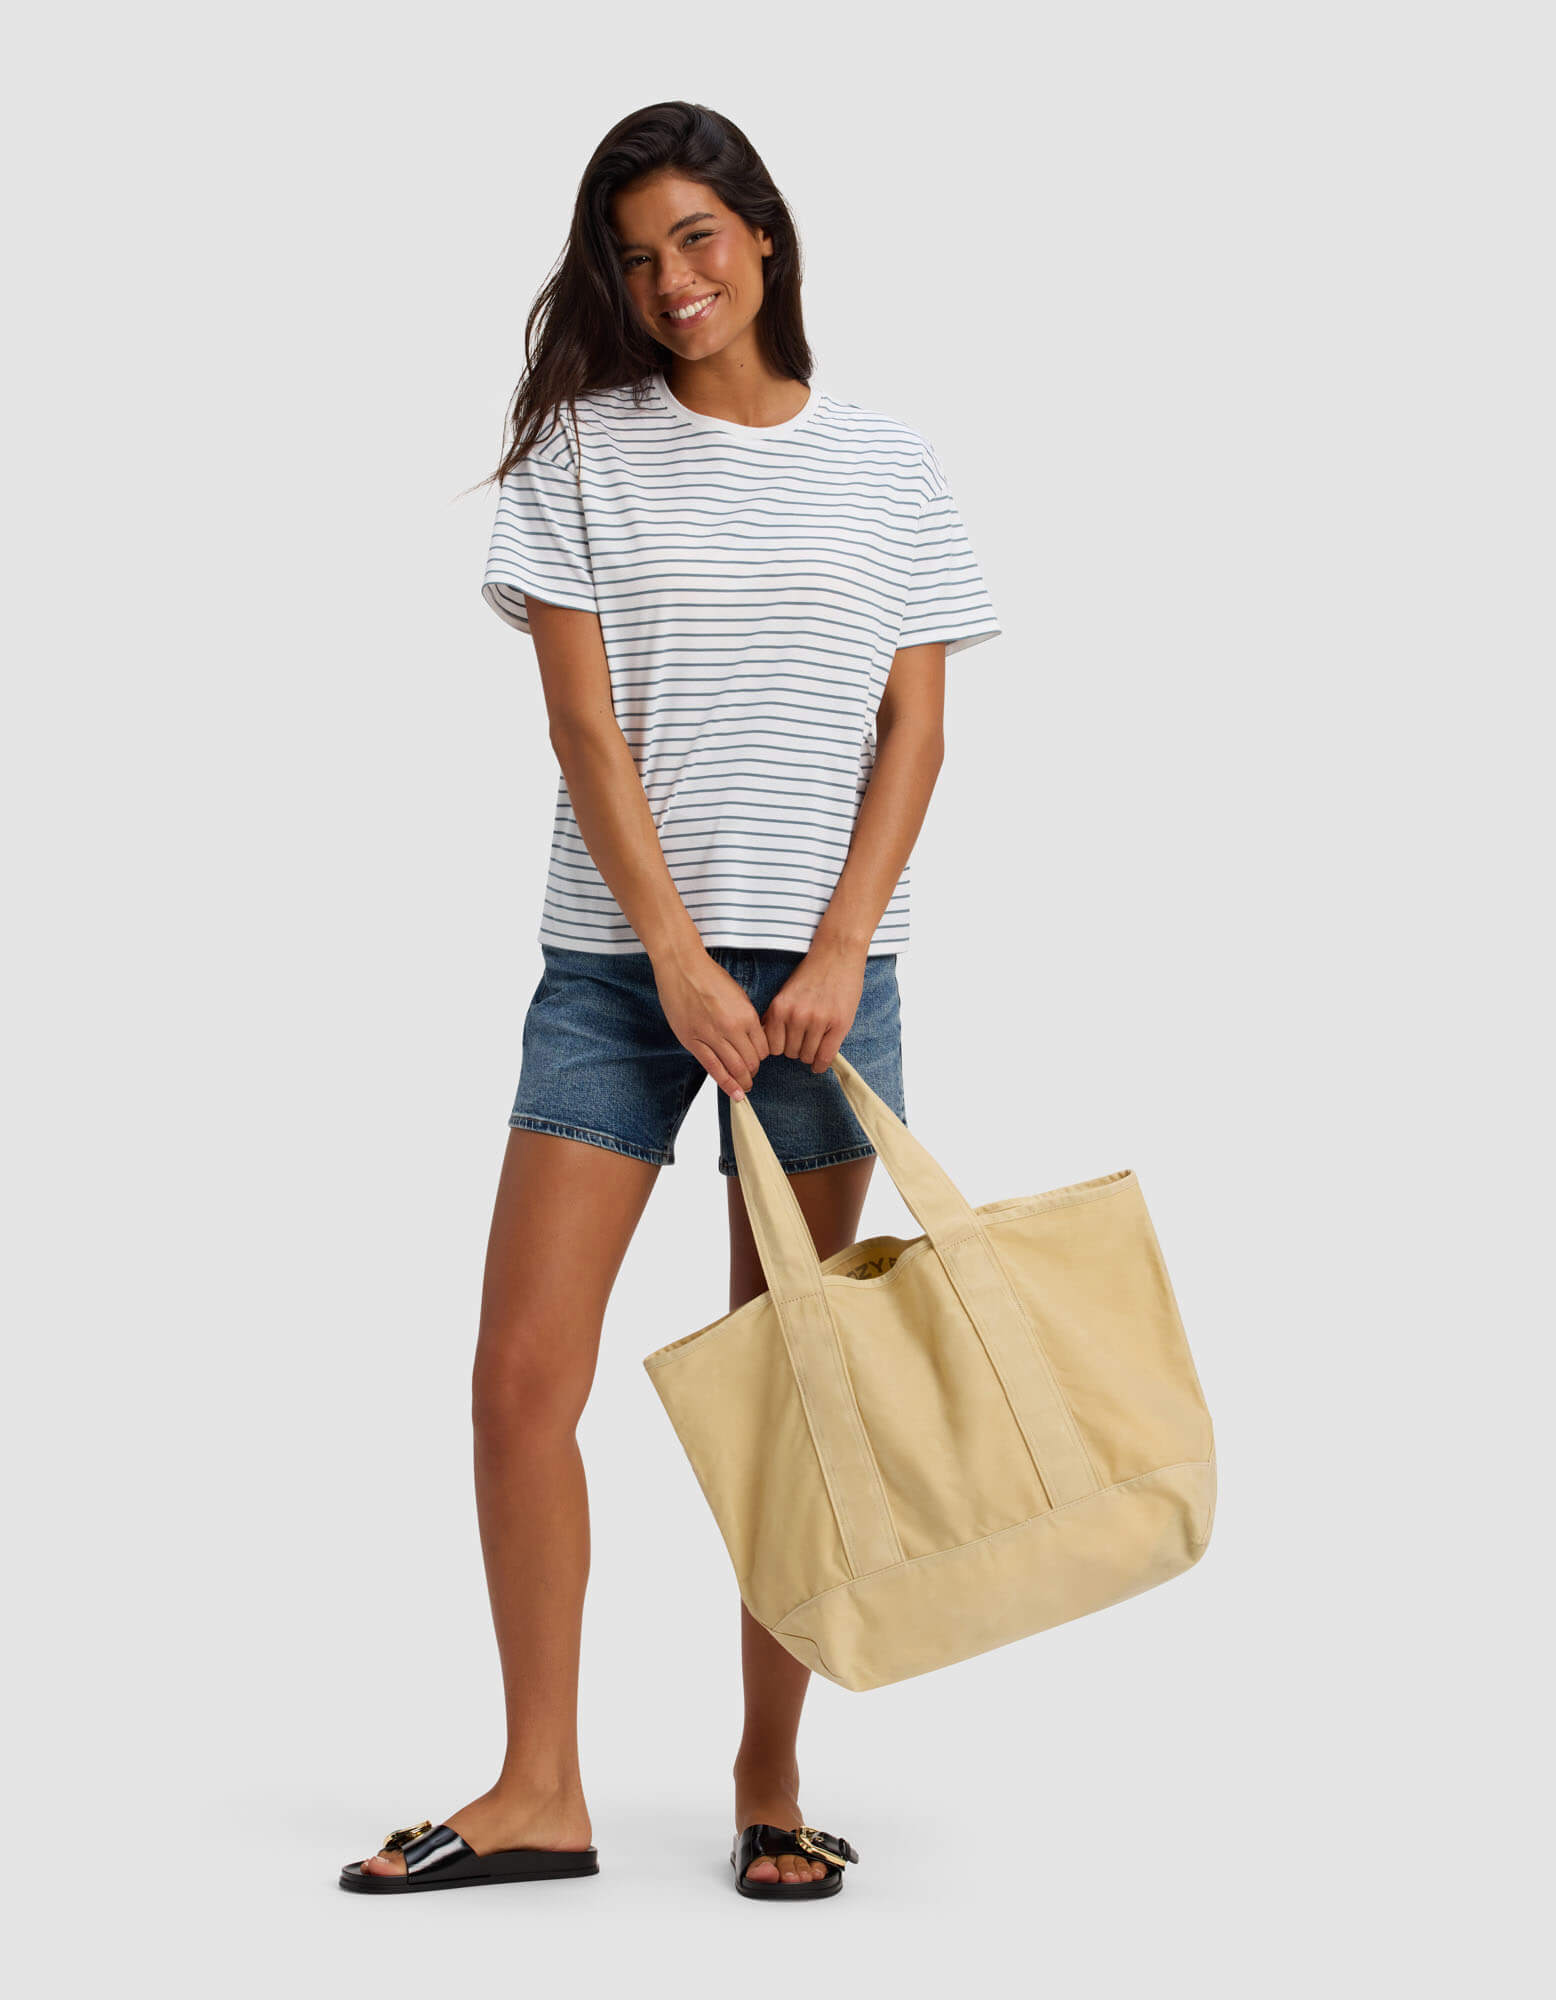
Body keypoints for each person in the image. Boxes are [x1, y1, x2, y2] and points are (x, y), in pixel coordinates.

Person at [339, 98, 1000, 1903]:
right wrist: (686, 961)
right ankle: (539, 1786)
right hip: (620, 984)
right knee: (518, 1384)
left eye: (698, 240)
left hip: (825, 996)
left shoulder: (888, 462)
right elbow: (583, 729)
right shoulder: (580, 455)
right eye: (636, 259)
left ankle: (769, 1777)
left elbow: (914, 729)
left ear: (766, 239)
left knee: (799, 1387)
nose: (671, 282)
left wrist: (839, 948)